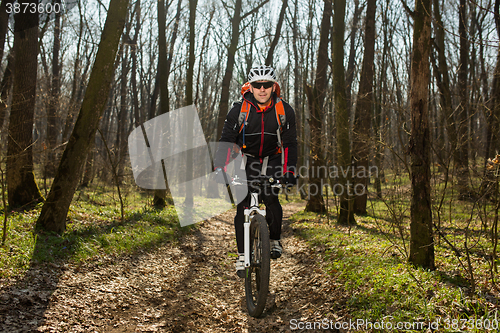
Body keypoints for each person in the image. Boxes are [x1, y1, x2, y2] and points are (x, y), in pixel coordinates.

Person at [213, 65, 297, 277]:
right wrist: (220, 169)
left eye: (266, 85)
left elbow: (290, 144)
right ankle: (242, 255)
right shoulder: (239, 110)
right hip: (245, 159)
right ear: (249, 87)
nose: (262, 89)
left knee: (271, 198)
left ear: (273, 86)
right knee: (242, 205)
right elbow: (226, 141)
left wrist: (289, 172)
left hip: (272, 158)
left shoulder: (284, 111)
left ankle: (275, 239)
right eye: (257, 85)